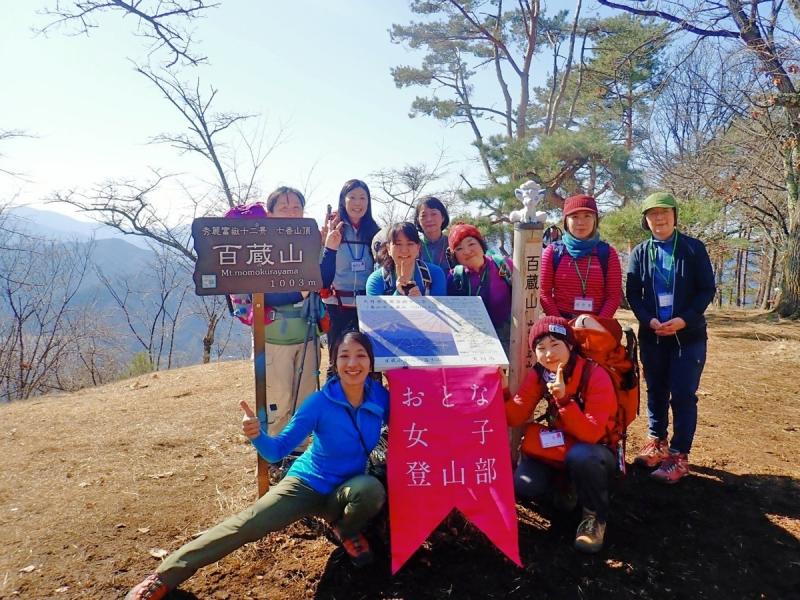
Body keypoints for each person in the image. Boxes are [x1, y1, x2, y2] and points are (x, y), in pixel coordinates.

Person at [124, 332, 389, 600]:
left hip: (346, 489)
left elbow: (412, 418)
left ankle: (345, 529)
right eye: (344, 356)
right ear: (333, 361)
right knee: (247, 524)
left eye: (361, 356)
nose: (352, 363)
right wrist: (256, 435)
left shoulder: (379, 397)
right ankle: (163, 576)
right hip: (306, 485)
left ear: (371, 362)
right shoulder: (319, 403)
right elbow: (277, 451)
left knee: (371, 491)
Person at [505, 316, 618, 553]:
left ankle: (594, 517)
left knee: (582, 456)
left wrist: (564, 399)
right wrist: (501, 389)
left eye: (555, 345)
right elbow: (515, 416)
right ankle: (566, 487)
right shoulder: (540, 374)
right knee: (523, 485)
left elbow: (591, 434)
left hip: (597, 451)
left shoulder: (595, 375)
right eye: (541, 348)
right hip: (562, 445)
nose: (548, 354)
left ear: (570, 346)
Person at [626, 192, 715, 483]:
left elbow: (706, 289)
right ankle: (657, 442)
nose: (659, 218)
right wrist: (647, 319)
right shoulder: (641, 252)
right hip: (653, 335)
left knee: (683, 394)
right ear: (646, 220)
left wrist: (684, 319)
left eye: (665, 212)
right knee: (655, 390)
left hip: (687, 336)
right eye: (652, 214)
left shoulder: (693, 248)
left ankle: (678, 455)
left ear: (675, 215)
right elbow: (632, 293)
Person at [262, 187, 320, 452]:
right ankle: (276, 455)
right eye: (283, 207)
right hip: (275, 337)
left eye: (296, 207)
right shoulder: (259, 247)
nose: (291, 212)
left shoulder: (311, 244)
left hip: (308, 335)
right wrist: (300, 291)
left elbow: (324, 278)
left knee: (306, 400)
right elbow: (261, 295)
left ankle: (301, 457)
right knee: (279, 399)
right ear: (270, 214)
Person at [320, 180, 381, 373]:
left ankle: (370, 402)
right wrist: (329, 246)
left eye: (363, 198)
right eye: (352, 197)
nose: (358, 202)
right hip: (337, 306)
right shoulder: (333, 229)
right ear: (343, 201)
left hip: (367, 306)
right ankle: (336, 402)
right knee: (338, 362)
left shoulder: (375, 232)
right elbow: (322, 276)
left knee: (369, 362)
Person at [540, 194, 622, 319]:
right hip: (561, 327)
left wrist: (596, 325)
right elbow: (544, 294)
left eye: (587, 216)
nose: (581, 222)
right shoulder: (552, 252)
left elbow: (613, 296)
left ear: (595, 219)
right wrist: (563, 325)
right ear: (566, 221)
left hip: (596, 325)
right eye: (574, 216)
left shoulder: (608, 253)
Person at [446, 223, 513, 354]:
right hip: (475, 341)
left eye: (471, 244)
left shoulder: (503, 265)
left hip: (508, 337)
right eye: (459, 249)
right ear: (455, 256)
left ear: (482, 245)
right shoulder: (455, 277)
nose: (466, 251)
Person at [366, 221, 447, 296]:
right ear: (388, 248)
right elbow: (375, 311)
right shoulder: (376, 280)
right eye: (398, 244)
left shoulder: (435, 274)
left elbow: (441, 308)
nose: (404, 250)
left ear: (418, 247)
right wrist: (398, 293)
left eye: (410, 244)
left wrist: (422, 302)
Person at [414, 195, 452, 273]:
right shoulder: (413, 246)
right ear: (418, 220)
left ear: (443, 217)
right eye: (423, 215)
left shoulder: (452, 243)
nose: (429, 219)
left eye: (434, 214)